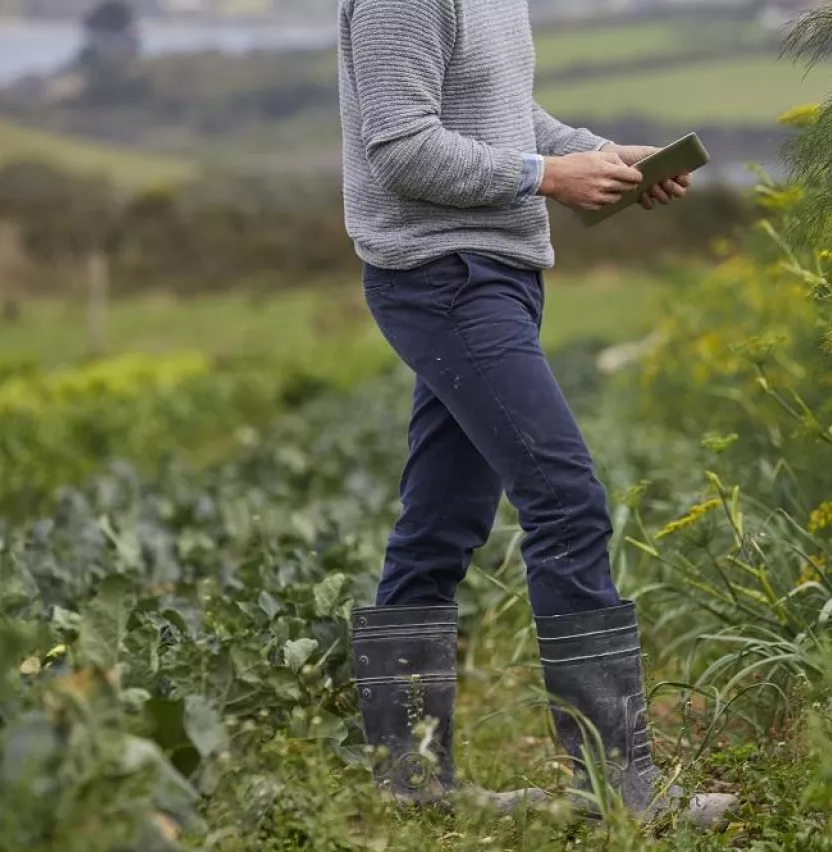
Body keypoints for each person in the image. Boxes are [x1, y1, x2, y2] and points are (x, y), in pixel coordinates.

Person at [337, 0, 736, 829]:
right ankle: (619, 792)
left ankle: (410, 786)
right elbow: (401, 147)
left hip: (496, 276)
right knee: (565, 497)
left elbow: (502, 115)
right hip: (441, 276)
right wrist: (547, 178)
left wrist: (596, 155)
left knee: (440, 522)